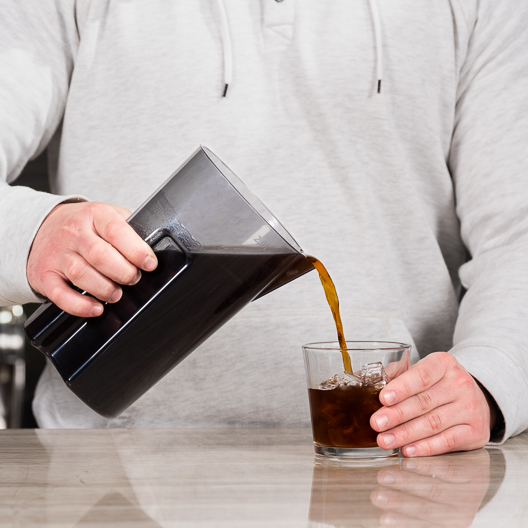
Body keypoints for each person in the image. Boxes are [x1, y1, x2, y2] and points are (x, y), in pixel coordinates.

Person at [0, 0, 526, 456]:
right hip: (99, 474)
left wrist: (490, 377)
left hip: (395, 460)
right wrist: (32, 232)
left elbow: (516, 233)